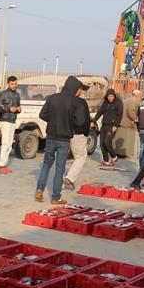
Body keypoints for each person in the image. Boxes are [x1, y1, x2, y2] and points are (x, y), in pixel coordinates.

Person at [35, 75, 87, 204]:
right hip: (64, 139)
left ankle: (39, 191)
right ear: (75, 88)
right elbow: (80, 121)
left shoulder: (53, 98)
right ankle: (56, 197)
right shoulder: (76, 102)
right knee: (60, 167)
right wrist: (68, 124)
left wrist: (53, 120)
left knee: (46, 164)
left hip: (51, 136)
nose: (80, 92)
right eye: (80, 89)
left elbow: (42, 114)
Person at [63, 83, 92, 190]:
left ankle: (58, 178)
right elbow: (82, 120)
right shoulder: (80, 102)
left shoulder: (63, 100)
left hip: (64, 132)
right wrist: (86, 131)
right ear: (77, 90)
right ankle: (69, 178)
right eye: (81, 89)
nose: (81, 92)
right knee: (80, 156)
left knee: (62, 156)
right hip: (78, 133)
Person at [0, 75, 21, 174]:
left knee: (10, 144)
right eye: (12, 84)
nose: (14, 85)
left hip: (13, 121)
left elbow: (19, 106)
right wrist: (8, 109)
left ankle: (4, 164)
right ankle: (2, 165)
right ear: (8, 84)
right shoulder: (3, 94)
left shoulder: (17, 95)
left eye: (15, 84)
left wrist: (19, 109)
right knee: (5, 143)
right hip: (5, 120)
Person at [93, 88, 123, 167]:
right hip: (104, 125)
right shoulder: (105, 103)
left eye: (111, 96)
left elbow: (120, 115)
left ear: (114, 96)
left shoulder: (118, 103)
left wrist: (116, 125)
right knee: (102, 144)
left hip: (112, 126)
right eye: (108, 96)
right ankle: (106, 161)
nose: (110, 98)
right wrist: (93, 121)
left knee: (107, 142)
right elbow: (99, 112)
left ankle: (114, 156)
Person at [120, 88, 141, 162]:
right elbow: (130, 111)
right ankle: (123, 153)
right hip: (127, 122)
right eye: (139, 96)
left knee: (122, 138)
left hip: (122, 122)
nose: (140, 98)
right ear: (137, 95)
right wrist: (135, 119)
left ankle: (120, 153)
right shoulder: (133, 101)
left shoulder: (127, 100)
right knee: (126, 139)